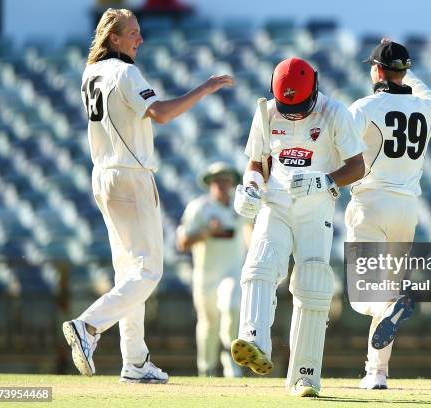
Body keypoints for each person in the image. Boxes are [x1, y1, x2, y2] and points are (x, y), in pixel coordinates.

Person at [62, 8, 233, 383]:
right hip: (131, 176)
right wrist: (204, 88)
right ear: (114, 39)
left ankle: (136, 361)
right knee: (149, 272)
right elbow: (161, 113)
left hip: (103, 174)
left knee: (129, 273)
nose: (140, 39)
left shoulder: (91, 72)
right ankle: (88, 326)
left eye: (139, 31)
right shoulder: (125, 72)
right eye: (133, 33)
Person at [231, 57, 366, 397]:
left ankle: (305, 376)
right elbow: (257, 163)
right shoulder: (265, 112)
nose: (292, 115)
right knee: (259, 265)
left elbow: (357, 166)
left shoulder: (335, 113)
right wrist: (249, 185)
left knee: (313, 284)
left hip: (315, 207)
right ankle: (253, 339)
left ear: (315, 88)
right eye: (286, 107)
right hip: (275, 202)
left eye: (299, 108)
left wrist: (325, 182)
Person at [346, 39, 431, 389]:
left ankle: (378, 363)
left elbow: (340, 151)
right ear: (404, 71)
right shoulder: (427, 108)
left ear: (375, 70)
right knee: (387, 294)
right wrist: (405, 71)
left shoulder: (363, 106)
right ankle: (376, 373)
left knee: (365, 298)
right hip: (407, 208)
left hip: (371, 203)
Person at [175, 162, 252, 378]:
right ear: (210, 183)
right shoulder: (199, 207)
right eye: (217, 180)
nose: (222, 184)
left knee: (232, 306)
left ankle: (231, 363)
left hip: (232, 271)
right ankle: (206, 369)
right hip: (205, 276)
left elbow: (249, 232)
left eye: (226, 180)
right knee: (208, 323)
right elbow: (182, 242)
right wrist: (207, 231)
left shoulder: (239, 207)